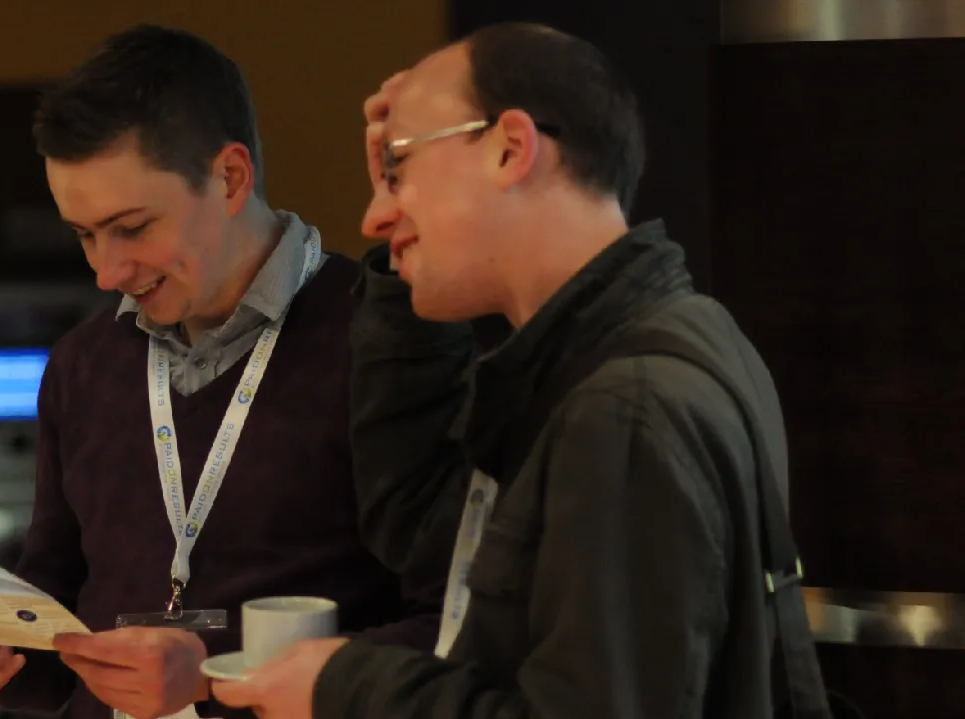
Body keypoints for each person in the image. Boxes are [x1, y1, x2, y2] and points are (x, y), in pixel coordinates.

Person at [212, 21, 832, 719]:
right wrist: (408, 273)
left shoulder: (625, 405)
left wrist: (346, 686)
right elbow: (426, 534)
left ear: (510, 148)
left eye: (399, 167)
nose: (375, 213)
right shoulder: (647, 345)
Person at [0, 24, 450, 719]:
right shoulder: (83, 365)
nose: (107, 272)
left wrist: (212, 676)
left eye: (132, 227)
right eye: (84, 235)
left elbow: (451, 628)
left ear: (230, 177)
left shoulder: (387, 343)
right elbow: (59, 617)